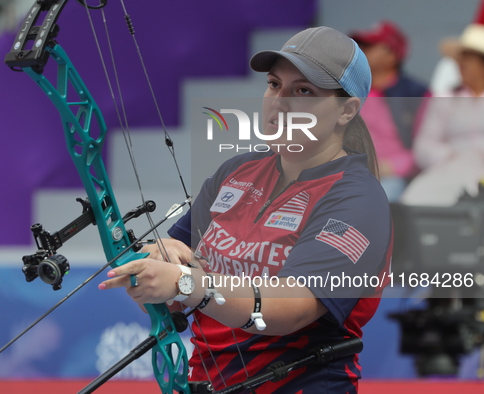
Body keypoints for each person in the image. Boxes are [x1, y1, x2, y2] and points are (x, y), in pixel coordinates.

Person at [99, 27, 393, 393]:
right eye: (274, 84)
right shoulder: (236, 172)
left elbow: (294, 306)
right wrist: (158, 262)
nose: (279, 101)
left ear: (346, 110)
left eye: (303, 91)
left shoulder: (358, 198)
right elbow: (170, 293)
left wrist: (190, 283)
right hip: (207, 384)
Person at [401, 18, 484, 206]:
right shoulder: (445, 99)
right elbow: (424, 144)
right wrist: (451, 156)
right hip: (450, 173)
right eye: (461, 59)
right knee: (415, 202)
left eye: (469, 58)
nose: (461, 64)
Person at [349, 21, 429, 202]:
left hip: (393, 175)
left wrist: (392, 167)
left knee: (375, 198)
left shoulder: (417, 94)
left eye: (369, 46)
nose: (361, 51)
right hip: (351, 170)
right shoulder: (349, 90)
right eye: (360, 45)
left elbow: (427, 145)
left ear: (392, 55)